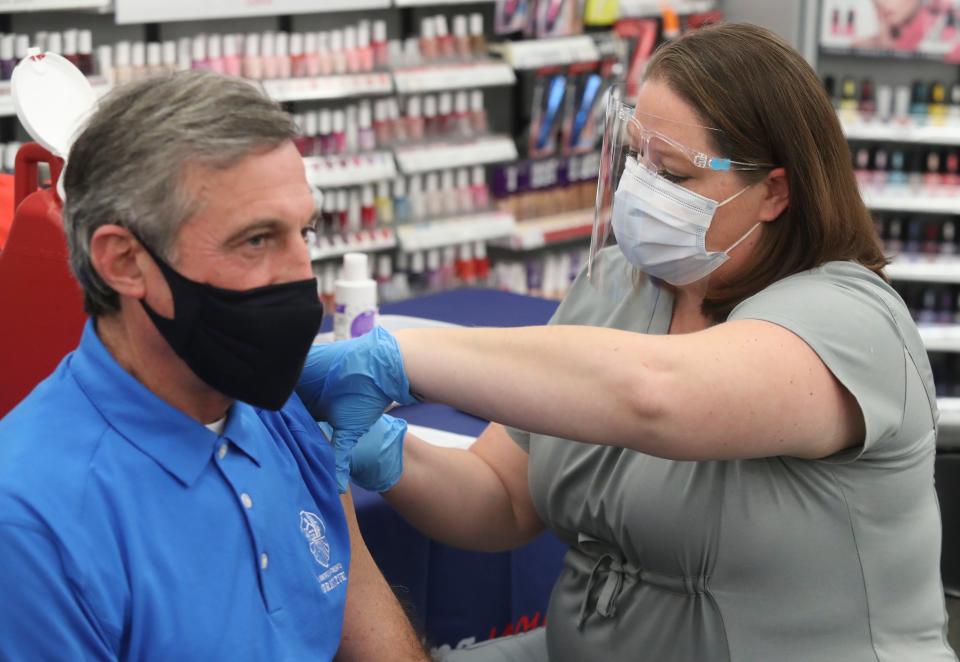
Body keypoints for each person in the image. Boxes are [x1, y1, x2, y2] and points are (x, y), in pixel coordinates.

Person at [298, 23, 958, 661]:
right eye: (637, 156)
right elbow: (501, 496)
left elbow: (655, 394)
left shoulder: (850, 320)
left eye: (672, 174)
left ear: (774, 192)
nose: (639, 188)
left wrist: (399, 355)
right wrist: (382, 451)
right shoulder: (621, 285)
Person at [0, 71, 426, 661]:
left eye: (304, 232)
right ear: (124, 260)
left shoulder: (276, 411)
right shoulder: (31, 520)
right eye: (256, 240)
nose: (302, 276)